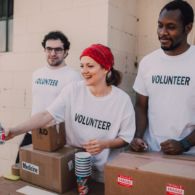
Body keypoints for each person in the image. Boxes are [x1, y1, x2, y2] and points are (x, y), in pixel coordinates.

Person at [6, 44, 135, 182]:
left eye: (90, 66)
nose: (84, 71)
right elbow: (46, 115)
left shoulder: (122, 100)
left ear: (106, 68)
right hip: (70, 168)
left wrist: (105, 144)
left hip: (102, 175)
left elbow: (126, 138)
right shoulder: (73, 90)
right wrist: (14, 131)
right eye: (82, 66)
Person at [130, 0, 195, 155]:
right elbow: (141, 106)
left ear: (188, 28)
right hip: (152, 151)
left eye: (171, 27)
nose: (162, 32)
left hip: (189, 156)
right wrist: (138, 136)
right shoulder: (148, 62)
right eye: (160, 25)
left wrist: (184, 143)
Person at [15, 31, 81, 163]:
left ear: (66, 52)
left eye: (58, 49)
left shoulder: (74, 77)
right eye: (49, 49)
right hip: (32, 132)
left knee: (48, 179)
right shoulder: (37, 74)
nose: (53, 53)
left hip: (56, 136)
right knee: (21, 171)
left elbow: (76, 109)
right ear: (44, 50)